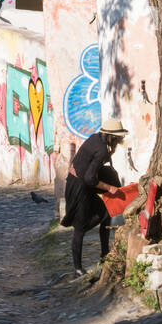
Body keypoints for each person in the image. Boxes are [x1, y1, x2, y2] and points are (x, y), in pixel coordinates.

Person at [61, 117, 128, 276]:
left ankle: (104, 254)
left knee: (106, 213)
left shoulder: (96, 139)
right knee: (80, 227)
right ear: (111, 137)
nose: (118, 142)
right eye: (117, 140)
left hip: (82, 182)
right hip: (79, 187)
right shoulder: (102, 149)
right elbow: (90, 178)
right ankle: (78, 268)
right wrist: (108, 187)